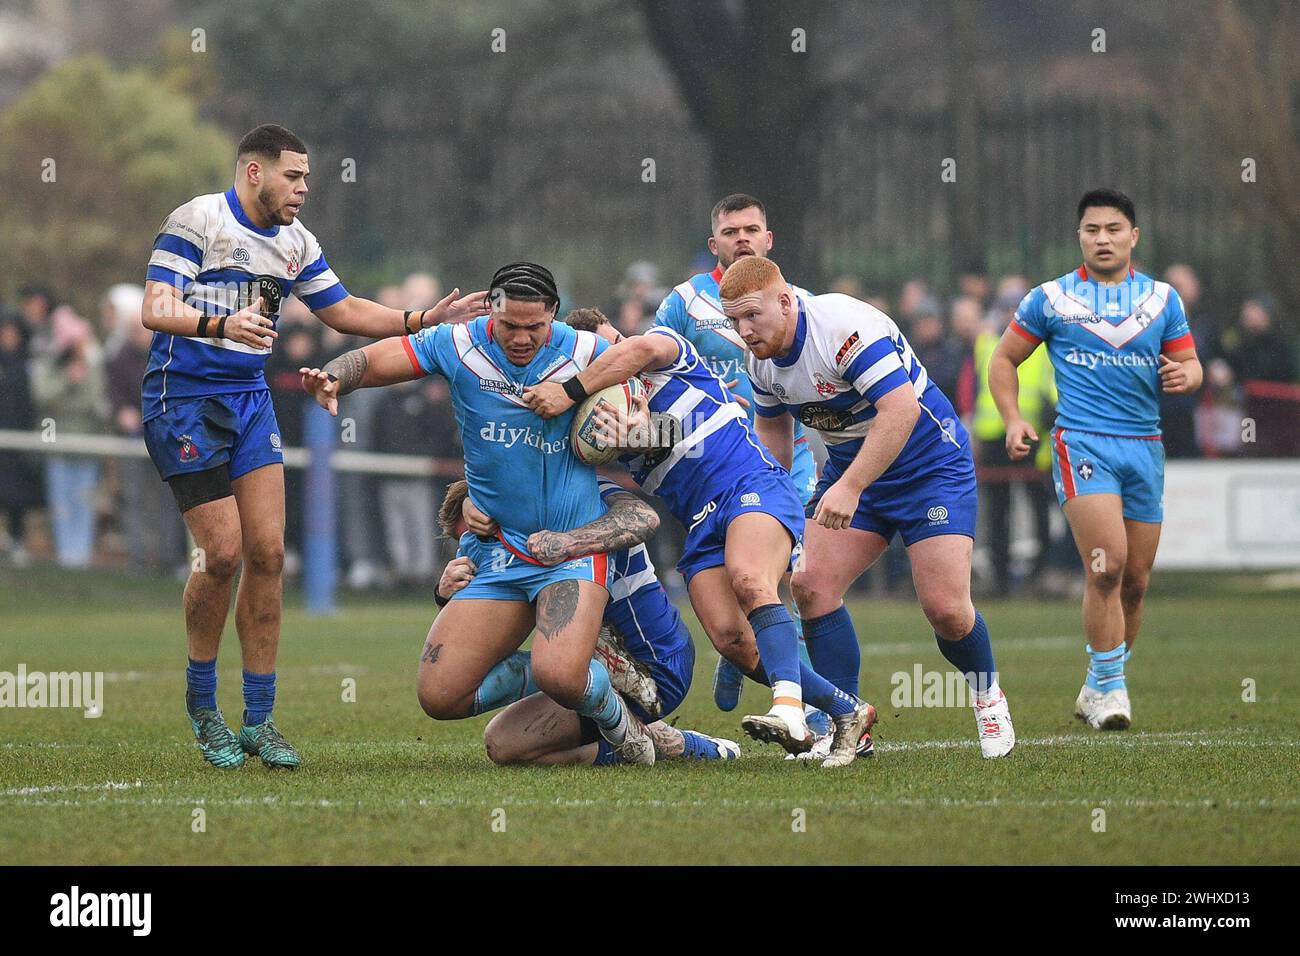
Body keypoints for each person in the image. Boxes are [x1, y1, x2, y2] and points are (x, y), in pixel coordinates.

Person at [139, 123, 488, 770]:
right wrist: (219, 322)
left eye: (306, 177)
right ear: (253, 172)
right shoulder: (198, 220)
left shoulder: (295, 243)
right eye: (293, 176)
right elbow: (155, 308)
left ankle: (260, 720)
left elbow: (346, 310)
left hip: (248, 400)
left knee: (268, 554)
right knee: (222, 554)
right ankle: (201, 703)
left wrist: (421, 320)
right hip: (181, 402)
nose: (303, 188)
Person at [301, 262, 658, 765]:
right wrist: (335, 377)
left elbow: (648, 397)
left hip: (569, 549)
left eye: (534, 327)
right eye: (510, 325)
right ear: (492, 308)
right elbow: (378, 359)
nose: (520, 337)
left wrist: (636, 420)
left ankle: (628, 729)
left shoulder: (585, 351)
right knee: (440, 695)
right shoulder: (458, 344)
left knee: (560, 674)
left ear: (553, 315)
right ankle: (596, 666)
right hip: (496, 549)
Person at [525, 309, 873, 768]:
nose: (613, 356)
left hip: (751, 485)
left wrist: (588, 398)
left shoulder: (666, 348)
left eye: (609, 344)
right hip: (701, 521)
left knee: (750, 580)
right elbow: (659, 439)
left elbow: (646, 360)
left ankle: (789, 711)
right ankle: (849, 712)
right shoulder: (602, 418)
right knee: (732, 640)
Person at [721, 255, 1017, 759]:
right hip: (851, 469)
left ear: (786, 301)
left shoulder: (841, 328)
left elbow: (900, 409)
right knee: (810, 586)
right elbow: (774, 432)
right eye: (734, 320)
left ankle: (988, 697)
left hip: (928, 466)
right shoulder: (760, 361)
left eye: (752, 315)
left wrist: (851, 486)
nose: (744, 330)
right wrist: (777, 507)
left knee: (946, 610)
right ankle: (845, 722)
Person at [988, 188, 1203, 731]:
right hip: (1081, 442)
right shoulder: (1051, 299)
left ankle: (1097, 685)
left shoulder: (1162, 300)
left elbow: (1191, 363)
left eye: (1113, 229)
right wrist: (1014, 418)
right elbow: (1003, 360)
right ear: (1079, 236)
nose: (1102, 239)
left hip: (1145, 447)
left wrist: (1187, 375)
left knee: (1135, 579)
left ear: (1134, 236)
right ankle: (1111, 690)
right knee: (1105, 563)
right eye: (1091, 230)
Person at [652, 193, 826, 732]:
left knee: (785, 580)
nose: (742, 238)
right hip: (712, 464)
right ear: (714, 244)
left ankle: (808, 711)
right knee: (740, 576)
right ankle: (744, 657)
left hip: (784, 458)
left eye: (752, 229)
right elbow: (654, 365)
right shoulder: (683, 303)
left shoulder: (794, 301)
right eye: (731, 232)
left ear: (769, 240)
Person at [440, 477, 739, 764]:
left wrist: (568, 542)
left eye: (480, 538)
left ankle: (655, 743)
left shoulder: (577, 495)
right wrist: (447, 596)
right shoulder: (510, 548)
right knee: (502, 743)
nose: (480, 553)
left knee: (516, 738)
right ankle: (662, 739)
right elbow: (476, 651)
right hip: (589, 669)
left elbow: (643, 517)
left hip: (653, 666)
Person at [30, 306, 110, 569]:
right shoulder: (48, 365)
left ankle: (81, 558)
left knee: (84, 503)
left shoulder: (92, 365)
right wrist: (67, 381)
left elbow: (93, 403)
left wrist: (76, 385)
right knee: (62, 505)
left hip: (86, 447)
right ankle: (67, 559)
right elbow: (43, 396)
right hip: (58, 446)